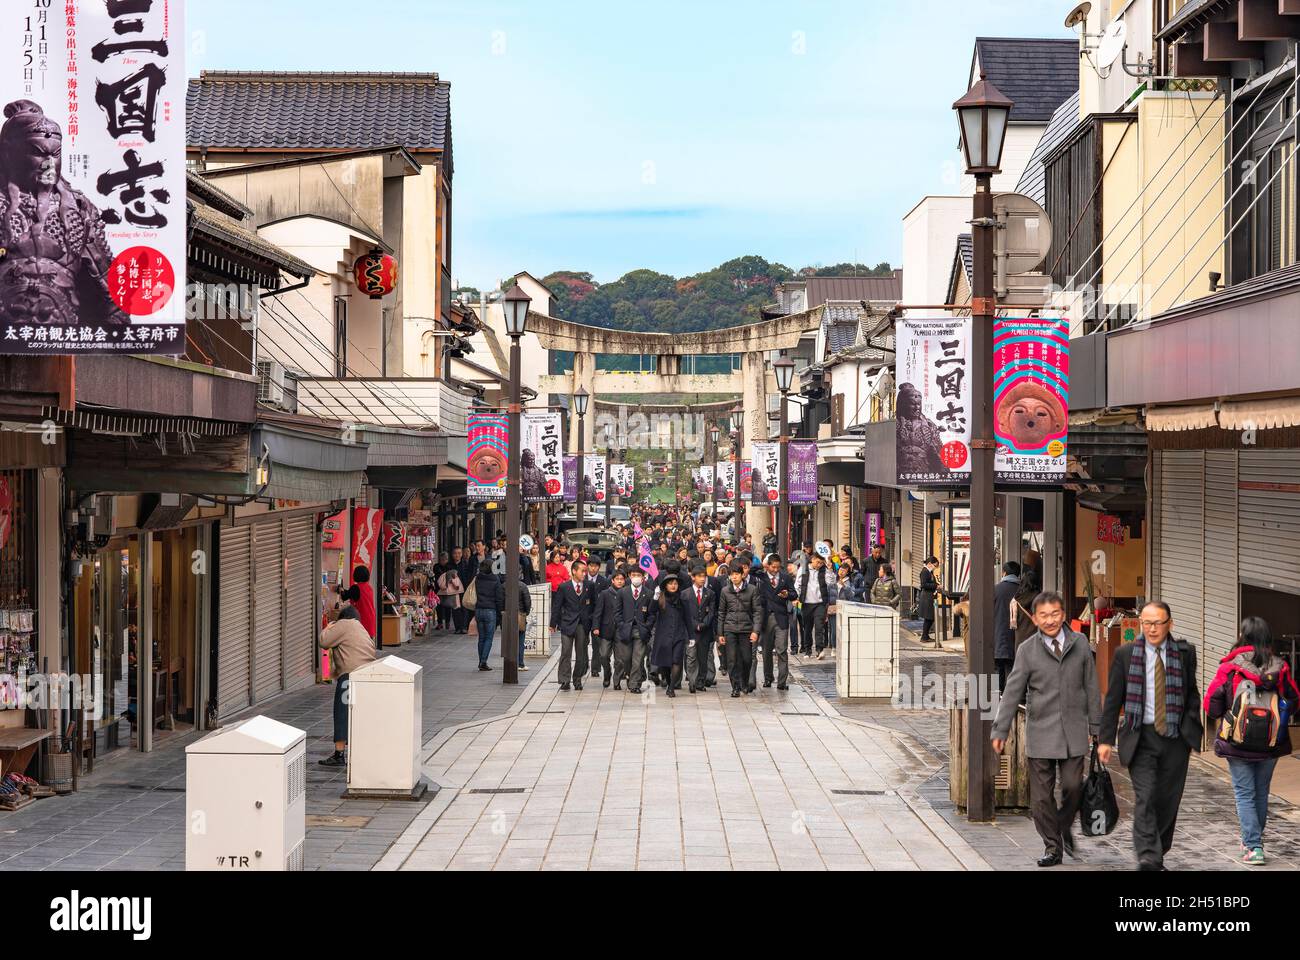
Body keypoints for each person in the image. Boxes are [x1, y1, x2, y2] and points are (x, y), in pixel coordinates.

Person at [992, 591, 1099, 867]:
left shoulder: (1080, 643)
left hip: (1074, 731)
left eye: (1055, 614)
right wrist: (1000, 730)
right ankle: (1053, 846)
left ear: (1063, 615)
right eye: (1043, 615)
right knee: (1040, 799)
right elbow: (1012, 692)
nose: (1050, 620)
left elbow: (1092, 687)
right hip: (1040, 731)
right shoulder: (1027, 650)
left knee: (1074, 787)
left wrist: (1097, 726)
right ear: (1035, 618)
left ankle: (1063, 825)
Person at [1099, 601, 1204, 872]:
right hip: (1140, 736)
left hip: (1174, 738)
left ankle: (1158, 852)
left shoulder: (1184, 653)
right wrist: (1105, 739)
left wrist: (1192, 726)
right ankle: (1149, 857)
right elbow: (1113, 699)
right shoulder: (1125, 654)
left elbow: (1192, 693)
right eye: (1147, 623)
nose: (1152, 628)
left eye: (1158, 623)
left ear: (1170, 623)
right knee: (1145, 797)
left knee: (1167, 800)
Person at [1204, 617, 1300, 865]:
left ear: (1242, 636)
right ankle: (1254, 841)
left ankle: (1253, 845)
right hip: (1271, 742)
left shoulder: (1230, 667)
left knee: (1244, 793)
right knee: (1260, 792)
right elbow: (1294, 698)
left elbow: (1211, 706)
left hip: (1237, 742)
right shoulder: (1281, 667)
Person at [316, 604, 377, 767]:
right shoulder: (360, 627)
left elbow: (324, 641)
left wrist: (329, 626)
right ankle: (361, 750)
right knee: (358, 715)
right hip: (367, 674)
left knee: (342, 713)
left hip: (350, 676)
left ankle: (339, 754)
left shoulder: (344, 624)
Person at [717, 563, 762, 698]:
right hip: (730, 629)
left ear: (742, 575)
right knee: (732, 659)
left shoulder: (752, 590)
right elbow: (721, 613)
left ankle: (744, 681)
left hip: (746, 629)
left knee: (747, 659)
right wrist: (720, 633)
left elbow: (757, 612)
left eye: (737, 574)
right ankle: (735, 686)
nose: (734, 577)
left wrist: (755, 631)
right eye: (732, 575)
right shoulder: (725, 591)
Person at [550, 559, 595, 691]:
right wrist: (553, 623)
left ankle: (577, 679)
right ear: (574, 571)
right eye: (582, 571)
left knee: (581, 654)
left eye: (585, 571)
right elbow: (557, 606)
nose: (584, 574)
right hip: (567, 623)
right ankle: (564, 680)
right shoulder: (564, 587)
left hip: (582, 624)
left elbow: (594, 604)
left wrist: (591, 621)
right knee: (566, 652)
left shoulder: (589, 586)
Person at [757, 554, 795, 690]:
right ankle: (768, 678)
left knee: (782, 650)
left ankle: (782, 681)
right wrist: (762, 565)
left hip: (781, 618)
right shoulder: (761, 577)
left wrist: (787, 595)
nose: (776, 570)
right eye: (773, 567)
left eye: (778, 567)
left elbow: (794, 594)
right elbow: (749, 570)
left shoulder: (786, 577)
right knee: (766, 651)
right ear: (768, 566)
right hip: (766, 618)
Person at [618, 566, 658, 694]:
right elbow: (617, 612)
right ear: (630, 576)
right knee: (626, 658)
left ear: (643, 577)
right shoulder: (622, 592)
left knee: (638, 658)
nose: (636, 577)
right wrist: (621, 624)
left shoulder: (649, 593)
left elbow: (652, 613)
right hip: (626, 629)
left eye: (639, 575)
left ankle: (634, 684)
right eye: (634, 575)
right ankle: (634, 674)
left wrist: (647, 626)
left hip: (641, 630)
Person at [652, 577, 690, 698]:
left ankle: (672, 687)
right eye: (670, 584)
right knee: (664, 664)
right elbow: (651, 611)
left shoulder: (682, 599)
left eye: (675, 584)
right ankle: (669, 682)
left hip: (679, 634)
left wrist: (691, 637)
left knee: (676, 660)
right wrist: (655, 597)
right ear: (666, 586)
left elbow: (687, 619)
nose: (673, 586)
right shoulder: (661, 598)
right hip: (663, 635)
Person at [683, 566, 717, 694]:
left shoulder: (710, 593)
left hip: (705, 631)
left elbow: (712, 612)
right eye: (699, 576)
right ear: (693, 577)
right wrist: (694, 624)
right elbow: (684, 613)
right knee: (691, 656)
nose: (702, 579)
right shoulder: (685, 594)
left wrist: (703, 624)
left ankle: (700, 681)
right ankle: (692, 681)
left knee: (703, 657)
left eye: (704, 576)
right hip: (690, 631)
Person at [591, 568, 626, 688]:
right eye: (617, 579)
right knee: (604, 655)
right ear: (612, 581)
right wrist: (596, 626)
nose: (620, 581)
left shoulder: (627, 593)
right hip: (606, 629)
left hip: (621, 630)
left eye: (622, 579)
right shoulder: (605, 594)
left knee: (620, 659)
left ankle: (616, 681)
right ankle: (607, 673)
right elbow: (598, 612)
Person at [796, 553, 831, 658]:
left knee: (819, 627)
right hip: (806, 603)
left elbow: (830, 582)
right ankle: (808, 650)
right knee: (807, 628)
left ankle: (820, 650)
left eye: (821, 563)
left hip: (820, 603)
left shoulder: (824, 570)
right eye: (818, 562)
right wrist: (796, 597)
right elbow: (797, 584)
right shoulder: (803, 569)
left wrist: (829, 570)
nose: (819, 565)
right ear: (813, 559)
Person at [993, 562, 1022, 689]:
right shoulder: (1022, 590)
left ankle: (998, 697)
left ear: (1004, 572)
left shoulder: (996, 589)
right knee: (1014, 671)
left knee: (998, 670)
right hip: (1018, 637)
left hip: (998, 635)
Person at [472, 561, 504, 671]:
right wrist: (500, 613)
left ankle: (481, 660)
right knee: (489, 638)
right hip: (490, 610)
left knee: (481, 637)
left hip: (479, 609)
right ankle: (483, 661)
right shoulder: (495, 579)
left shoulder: (478, 578)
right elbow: (499, 598)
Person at [348, 566, 378, 645]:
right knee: (368, 644)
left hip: (361, 619)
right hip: (370, 619)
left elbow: (345, 596)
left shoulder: (356, 588)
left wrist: (340, 590)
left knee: (359, 645)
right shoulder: (369, 587)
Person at [435, 556, 461, 632]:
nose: (443, 561)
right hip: (439, 589)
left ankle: (447, 622)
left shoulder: (449, 566)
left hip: (448, 589)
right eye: (441, 559)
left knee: (447, 606)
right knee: (439, 606)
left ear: (447, 560)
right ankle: (440, 623)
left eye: (445, 559)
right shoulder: (436, 566)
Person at [918, 557, 940, 646]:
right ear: (930, 563)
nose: (935, 568)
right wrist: (936, 586)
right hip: (927, 598)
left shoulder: (929, 572)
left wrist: (936, 585)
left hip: (929, 597)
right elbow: (924, 584)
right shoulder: (924, 571)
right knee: (929, 617)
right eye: (935, 566)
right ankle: (924, 636)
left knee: (930, 617)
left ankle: (925, 636)